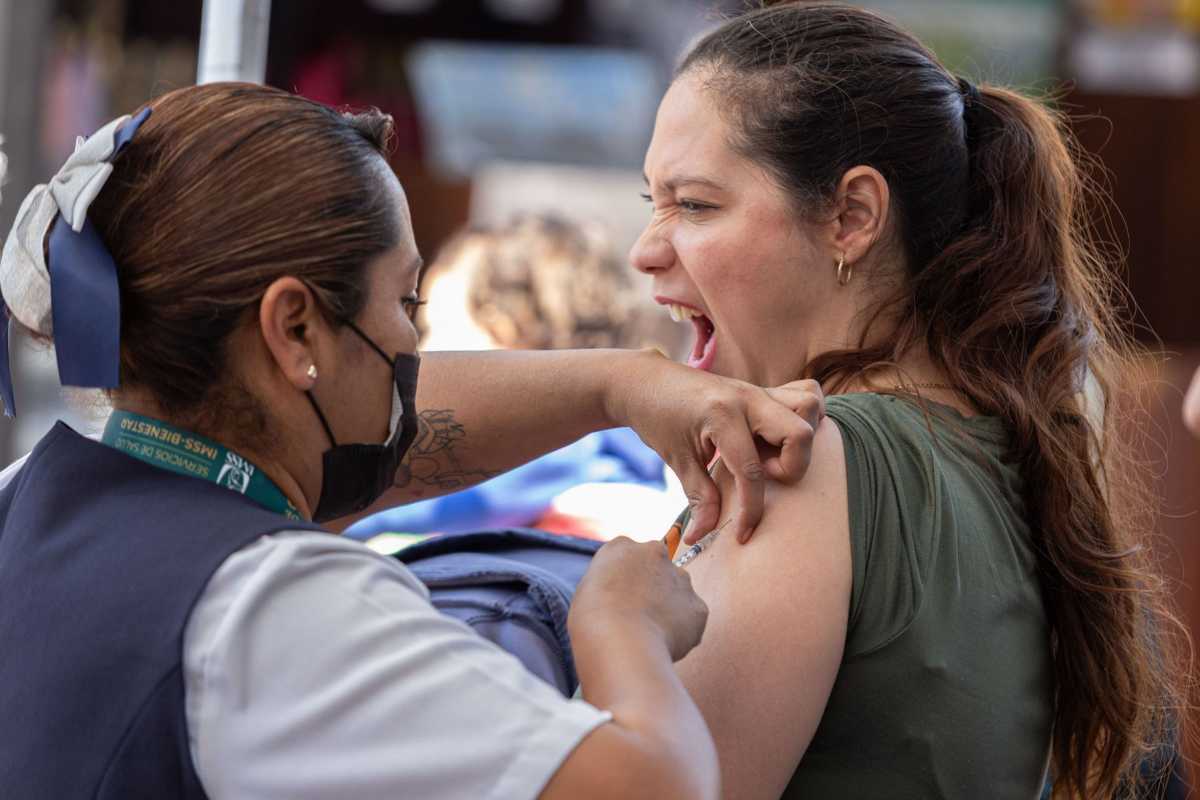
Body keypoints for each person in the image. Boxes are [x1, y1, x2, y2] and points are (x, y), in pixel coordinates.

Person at [0, 83, 826, 799]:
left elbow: (343, 455)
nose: (414, 346)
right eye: (407, 301)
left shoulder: (31, 494)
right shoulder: (274, 609)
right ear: (295, 329)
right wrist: (622, 628)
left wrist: (623, 385)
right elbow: (655, 789)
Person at [631, 4, 1191, 798]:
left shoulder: (806, 458)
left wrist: (608, 628)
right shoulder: (1016, 451)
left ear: (852, 216)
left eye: (693, 204)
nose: (645, 249)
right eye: (652, 201)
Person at [347, 214, 685, 543]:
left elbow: (432, 496)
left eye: (439, 329)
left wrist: (323, 509)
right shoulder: (608, 449)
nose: (422, 352)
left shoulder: (566, 449)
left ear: (511, 333)